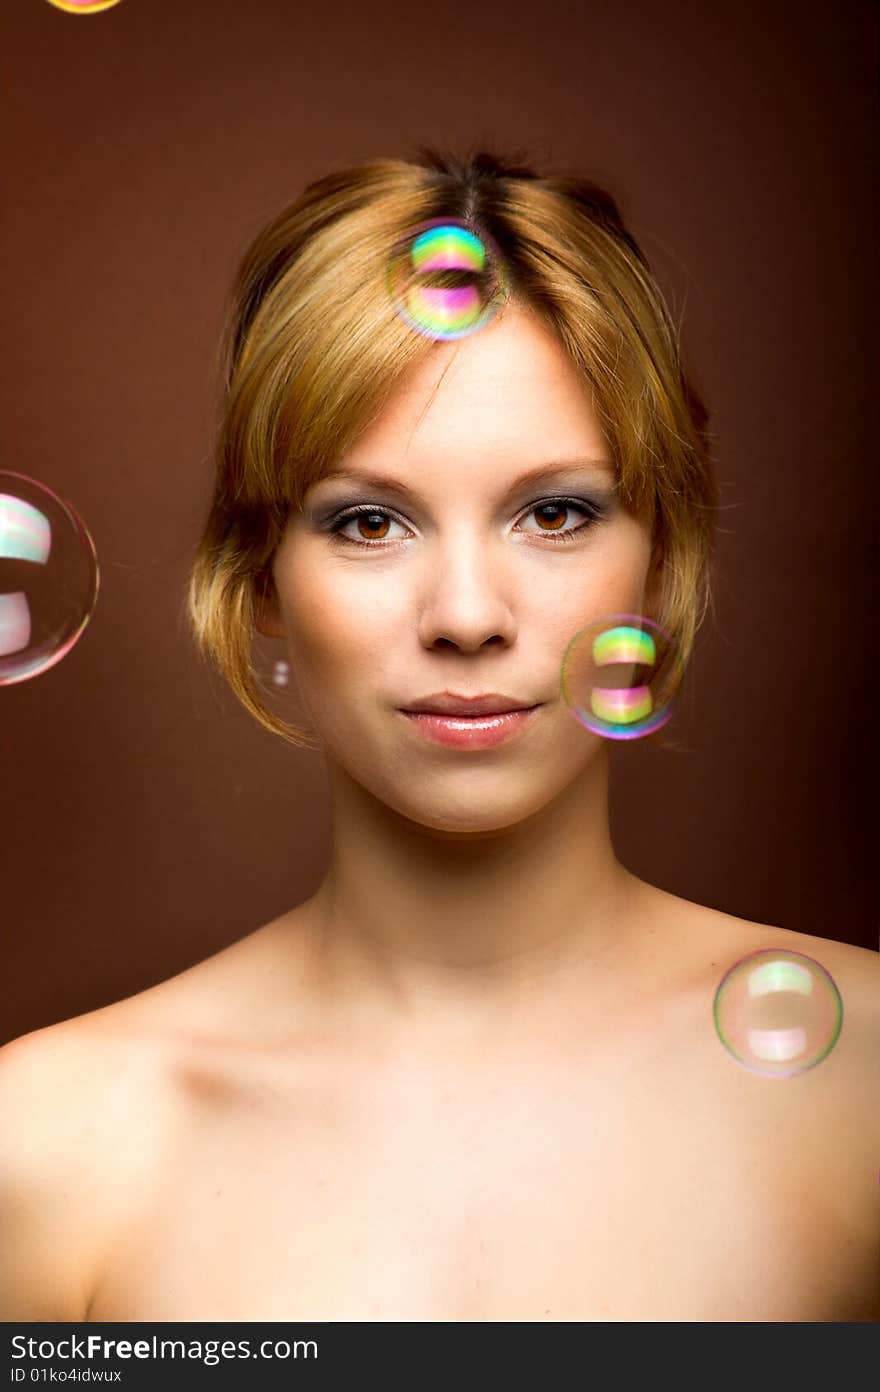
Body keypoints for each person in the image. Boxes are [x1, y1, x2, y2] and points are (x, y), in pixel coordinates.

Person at [1, 147, 877, 1323]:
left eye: (554, 512)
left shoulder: (861, 1094)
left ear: (664, 560)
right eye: (368, 522)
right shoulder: (47, 1149)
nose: (466, 615)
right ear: (257, 581)